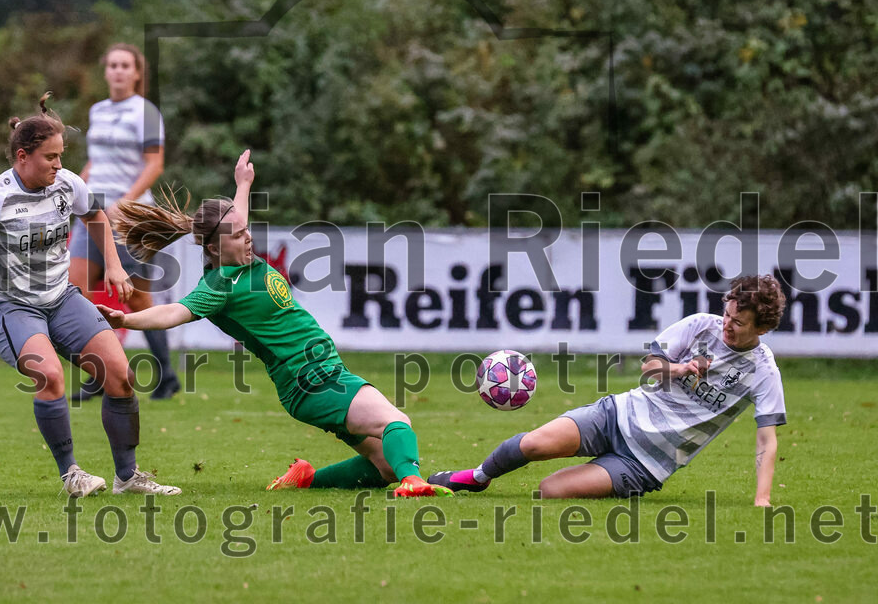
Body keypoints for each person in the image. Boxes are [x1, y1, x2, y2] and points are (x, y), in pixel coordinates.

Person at [97, 150, 453, 498]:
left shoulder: (240, 254)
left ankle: (306, 480)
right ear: (217, 249)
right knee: (397, 423)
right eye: (238, 235)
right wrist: (126, 318)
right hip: (310, 380)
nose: (248, 236)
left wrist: (243, 184)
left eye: (245, 229)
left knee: (385, 466)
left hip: (324, 373)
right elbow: (172, 312)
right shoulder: (219, 286)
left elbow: (237, 218)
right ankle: (414, 484)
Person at [0, 93, 180, 497]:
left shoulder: (68, 184)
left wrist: (113, 265)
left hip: (60, 299)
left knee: (121, 375)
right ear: (22, 156)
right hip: (9, 306)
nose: (59, 166)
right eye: (51, 158)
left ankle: (127, 478)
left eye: (62, 156)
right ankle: (71, 474)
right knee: (50, 375)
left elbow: (95, 215)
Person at [428, 274, 787, 504]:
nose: (727, 324)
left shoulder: (764, 371)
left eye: (738, 323)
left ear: (762, 328)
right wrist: (681, 368)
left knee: (548, 491)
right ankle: (478, 477)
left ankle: (608, 475)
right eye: (727, 315)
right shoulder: (699, 326)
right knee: (534, 444)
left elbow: (766, 439)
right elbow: (649, 368)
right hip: (616, 415)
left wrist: (763, 499)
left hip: (643, 464)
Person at [69, 43, 180, 401]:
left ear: (136, 73)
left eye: (124, 65)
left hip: (127, 217)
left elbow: (155, 165)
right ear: (105, 71)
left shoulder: (145, 112)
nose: (117, 71)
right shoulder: (97, 110)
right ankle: (102, 371)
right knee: (76, 291)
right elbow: (93, 163)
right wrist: (72, 190)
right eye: (112, 65)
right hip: (92, 213)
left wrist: (126, 202)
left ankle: (166, 374)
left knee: (136, 299)